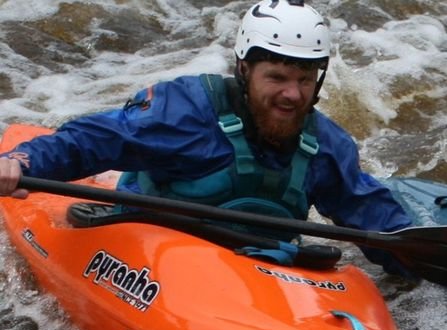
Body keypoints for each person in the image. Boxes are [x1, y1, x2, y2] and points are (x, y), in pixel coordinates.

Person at [0, 0, 409, 270]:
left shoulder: (325, 145)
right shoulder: (186, 113)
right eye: (278, 77)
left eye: (304, 80)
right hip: (159, 258)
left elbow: (371, 215)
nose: (292, 94)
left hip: (261, 270)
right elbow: (95, 140)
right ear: (245, 71)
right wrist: (22, 163)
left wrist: (425, 256)